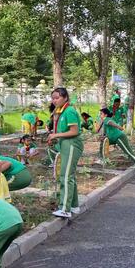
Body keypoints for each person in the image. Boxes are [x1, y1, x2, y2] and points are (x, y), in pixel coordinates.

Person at [47, 87, 83, 218]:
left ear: (65, 98)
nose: (54, 100)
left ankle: (64, 209)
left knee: (65, 176)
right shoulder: (59, 111)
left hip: (72, 144)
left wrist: (56, 135)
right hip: (65, 145)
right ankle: (74, 206)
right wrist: (54, 137)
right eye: (53, 98)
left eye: (57, 98)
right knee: (69, 176)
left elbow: (74, 131)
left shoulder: (69, 111)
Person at [97, 108, 135, 174]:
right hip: (113, 138)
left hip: (119, 137)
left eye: (101, 114)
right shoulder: (104, 122)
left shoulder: (107, 119)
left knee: (129, 152)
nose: (100, 115)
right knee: (102, 143)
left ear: (105, 114)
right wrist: (102, 137)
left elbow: (112, 123)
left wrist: (119, 127)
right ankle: (102, 159)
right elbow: (106, 133)